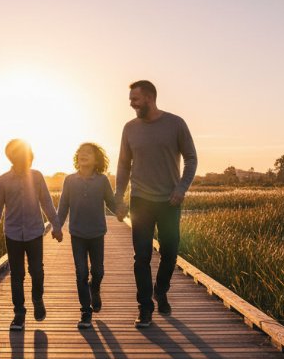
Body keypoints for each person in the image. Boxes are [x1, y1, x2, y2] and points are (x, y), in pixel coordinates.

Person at [114, 80, 197, 328]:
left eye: (135, 99)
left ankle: (161, 290)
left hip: (169, 201)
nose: (131, 103)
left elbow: (191, 159)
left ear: (149, 98)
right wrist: (119, 196)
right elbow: (122, 165)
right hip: (140, 200)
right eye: (130, 99)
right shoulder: (129, 128)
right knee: (141, 257)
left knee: (170, 251)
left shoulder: (175, 124)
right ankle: (145, 307)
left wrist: (181, 189)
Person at [0, 139, 63, 331]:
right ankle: (19, 313)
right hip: (12, 233)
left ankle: (37, 299)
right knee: (17, 274)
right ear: (11, 157)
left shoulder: (37, 177)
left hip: (34, 231)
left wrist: (56, 226)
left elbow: (47, 202)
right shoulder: (3, 180)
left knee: (37, 271)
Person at [57, 142, 116, 330]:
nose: (84, 155)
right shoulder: (69, 180)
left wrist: (125, 212)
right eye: (81, 152)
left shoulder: (102, 180)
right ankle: (85, 311)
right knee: (81, 272)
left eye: (88, 153)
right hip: (78, 234)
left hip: (97, 233)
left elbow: (111, 203)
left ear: (96, 159)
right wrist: (57, 226)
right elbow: (63, 206)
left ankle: (95, 288)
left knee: (98, 271)